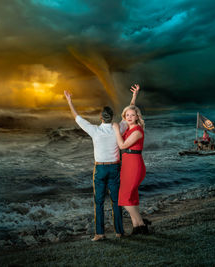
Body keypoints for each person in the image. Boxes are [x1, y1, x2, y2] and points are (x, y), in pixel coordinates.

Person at [63, 85, 140, 241]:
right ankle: (119, 231)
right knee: (116, 201)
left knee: (98, 202)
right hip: (115, 168)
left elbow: (77, 117)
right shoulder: (118, 128)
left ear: (101, 117)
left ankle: (99, 233)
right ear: (112, 117)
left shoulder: (94, 130)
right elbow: (128, 114)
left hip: (100, 169)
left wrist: (69, 101)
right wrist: (134, 96)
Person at [112, 102, 150, 235]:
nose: (129, 117)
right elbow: (130, 108)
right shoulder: (127, 128)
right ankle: (136, 227)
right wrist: (134, 97)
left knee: (124, 198)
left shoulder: (138, 131)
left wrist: (116, 130)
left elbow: (122, 145)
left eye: (132, 115)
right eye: (127, 115)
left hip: (135, 165)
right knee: (132, 197)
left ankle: (141, 222)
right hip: (127, 165)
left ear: (137, 117)